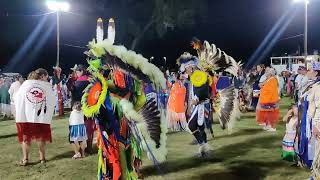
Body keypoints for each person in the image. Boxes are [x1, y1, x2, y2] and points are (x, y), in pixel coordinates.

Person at [15, 68, 55, 166]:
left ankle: (25, 159)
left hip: (26, 117)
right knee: (41, 138)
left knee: (26, 138)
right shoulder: (45, 86)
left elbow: (17, 99)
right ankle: (42, 158)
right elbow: (52, 99)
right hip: (41, 117)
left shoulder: (24, 86)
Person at [72, 64, 95, 154]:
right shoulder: (91, 81)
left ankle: (82, 149)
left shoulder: (77, 83)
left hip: (79, 108)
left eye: (77, 72)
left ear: (81, 71)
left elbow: (74, 97)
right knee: (89, 128)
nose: (76, 73)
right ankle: (89, 147)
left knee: (80, 128)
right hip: (90, 107)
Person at [256, 67, 280, 131]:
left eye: (267, 72)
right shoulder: (269, 79)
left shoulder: (273, 79)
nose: (266, 73)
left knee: (271, 114)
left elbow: (270, 90)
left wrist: (263, 90)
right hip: (267, 99)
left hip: (271, 100)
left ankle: (272, 127)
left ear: (270, 74)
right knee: (267, 113)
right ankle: (268, 125)